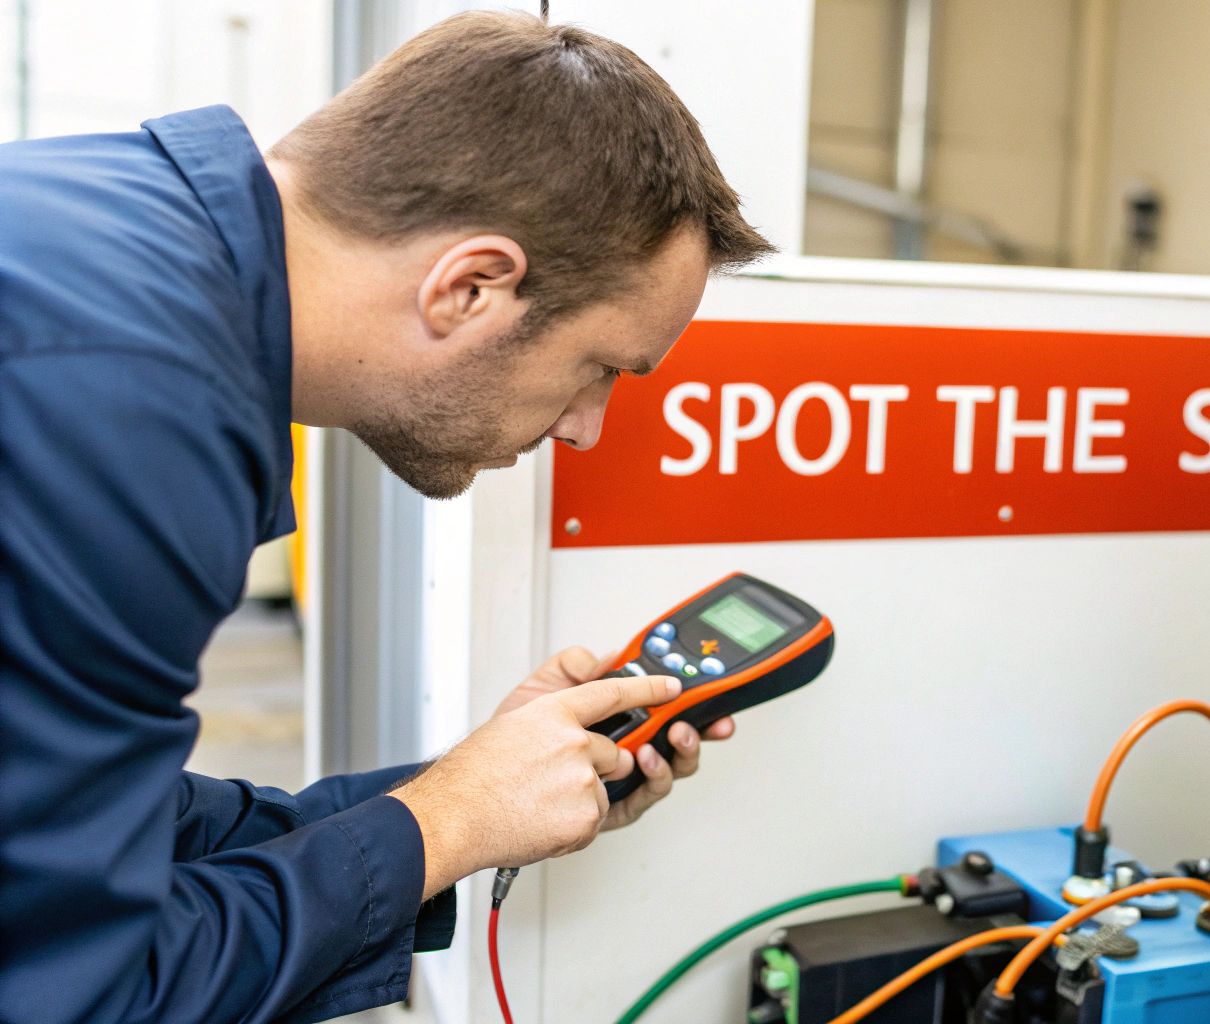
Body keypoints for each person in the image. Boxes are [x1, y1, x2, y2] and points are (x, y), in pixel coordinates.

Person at [0, 11, 773, 1024]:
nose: (587, 429)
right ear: (470, 288)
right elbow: (76, 991)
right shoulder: (135, 406)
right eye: (600, 369)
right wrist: (442, 822)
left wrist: (468, 790)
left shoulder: (111, 234)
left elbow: (89, 832)